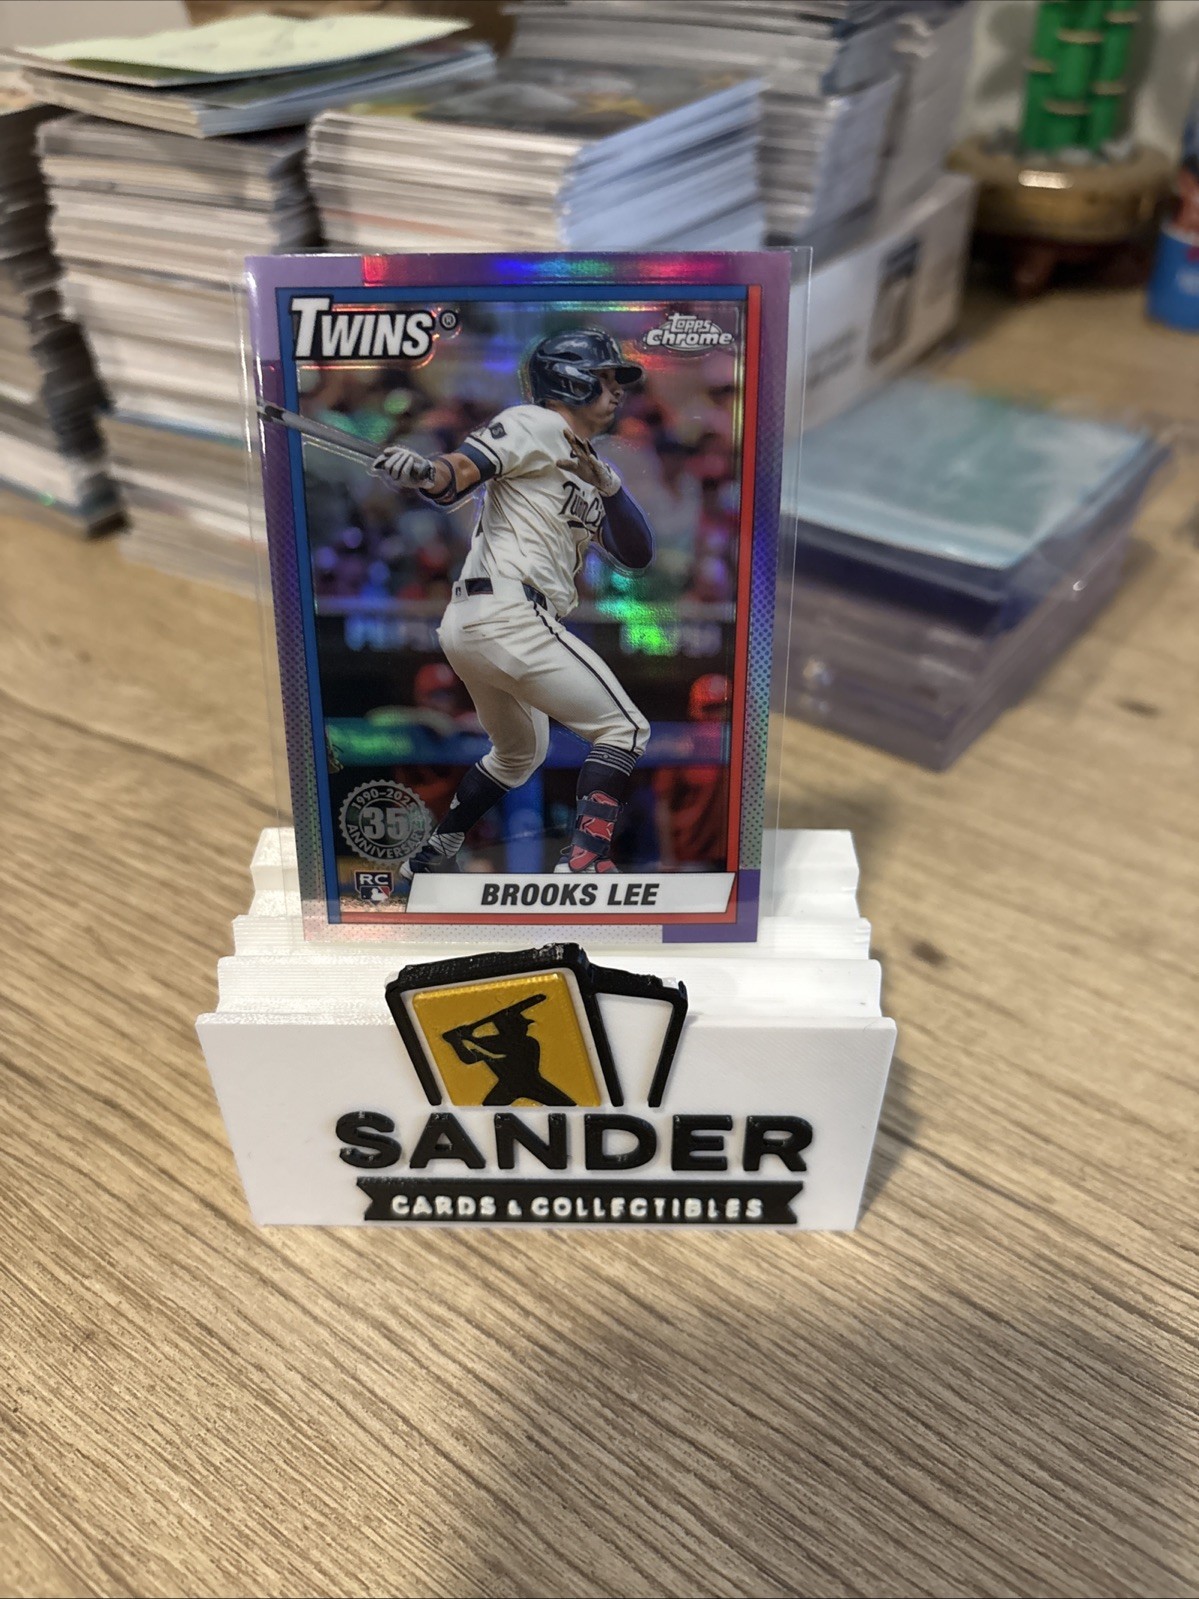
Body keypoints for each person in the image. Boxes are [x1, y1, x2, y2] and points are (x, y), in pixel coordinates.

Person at [371, 327, 655, 887]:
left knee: (519, 754)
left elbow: (637, 553)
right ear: (570, 382)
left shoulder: (586, 466)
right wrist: (426, 472)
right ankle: (584, 861)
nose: (617, 390)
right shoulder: (535, 423)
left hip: (476, 622)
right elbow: (459, 473)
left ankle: (431, 855)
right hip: (510, 611)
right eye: (604, 378)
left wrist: (609, 485)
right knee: (625, 729)